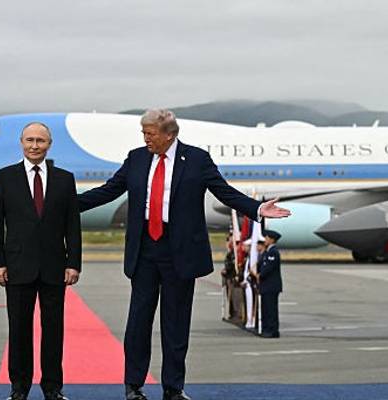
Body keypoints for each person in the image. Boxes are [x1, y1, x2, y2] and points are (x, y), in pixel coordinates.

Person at [77, 109, 291, 400]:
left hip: (180, 252)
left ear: (170, 134)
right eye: (143, 133)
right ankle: (134, 386)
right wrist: (66, 204)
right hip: (144, 251)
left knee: (175, 323)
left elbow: (223, 192)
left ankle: (173, 388)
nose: (145, 139)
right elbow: (109, 191)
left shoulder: (197, 160)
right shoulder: (137, 158)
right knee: (138, 321)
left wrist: (255, 209)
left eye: (150, 134)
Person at [0, 122, 82, 400]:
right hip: (16, 269)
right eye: (29, 140)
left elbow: (72, 226)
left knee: (54, 332)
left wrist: (73, 263)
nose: (34, 145)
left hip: (55, 268)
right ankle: (19, 389)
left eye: (40, 140)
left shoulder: (65, 179)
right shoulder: (4, 177)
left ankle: (53, 389)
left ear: (49, 144)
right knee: (19, 331)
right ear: (21, 142)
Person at [256, 230, 283, 338]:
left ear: (272, 239)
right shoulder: (268, 252)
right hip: (266, 285)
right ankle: (267, 328)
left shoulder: (273, 252)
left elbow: (268, 268)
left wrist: (260, 275)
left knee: (271, 309)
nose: (265, 240)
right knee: (266, 309)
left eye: (266, 238)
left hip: (271, 286)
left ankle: (272, 330)